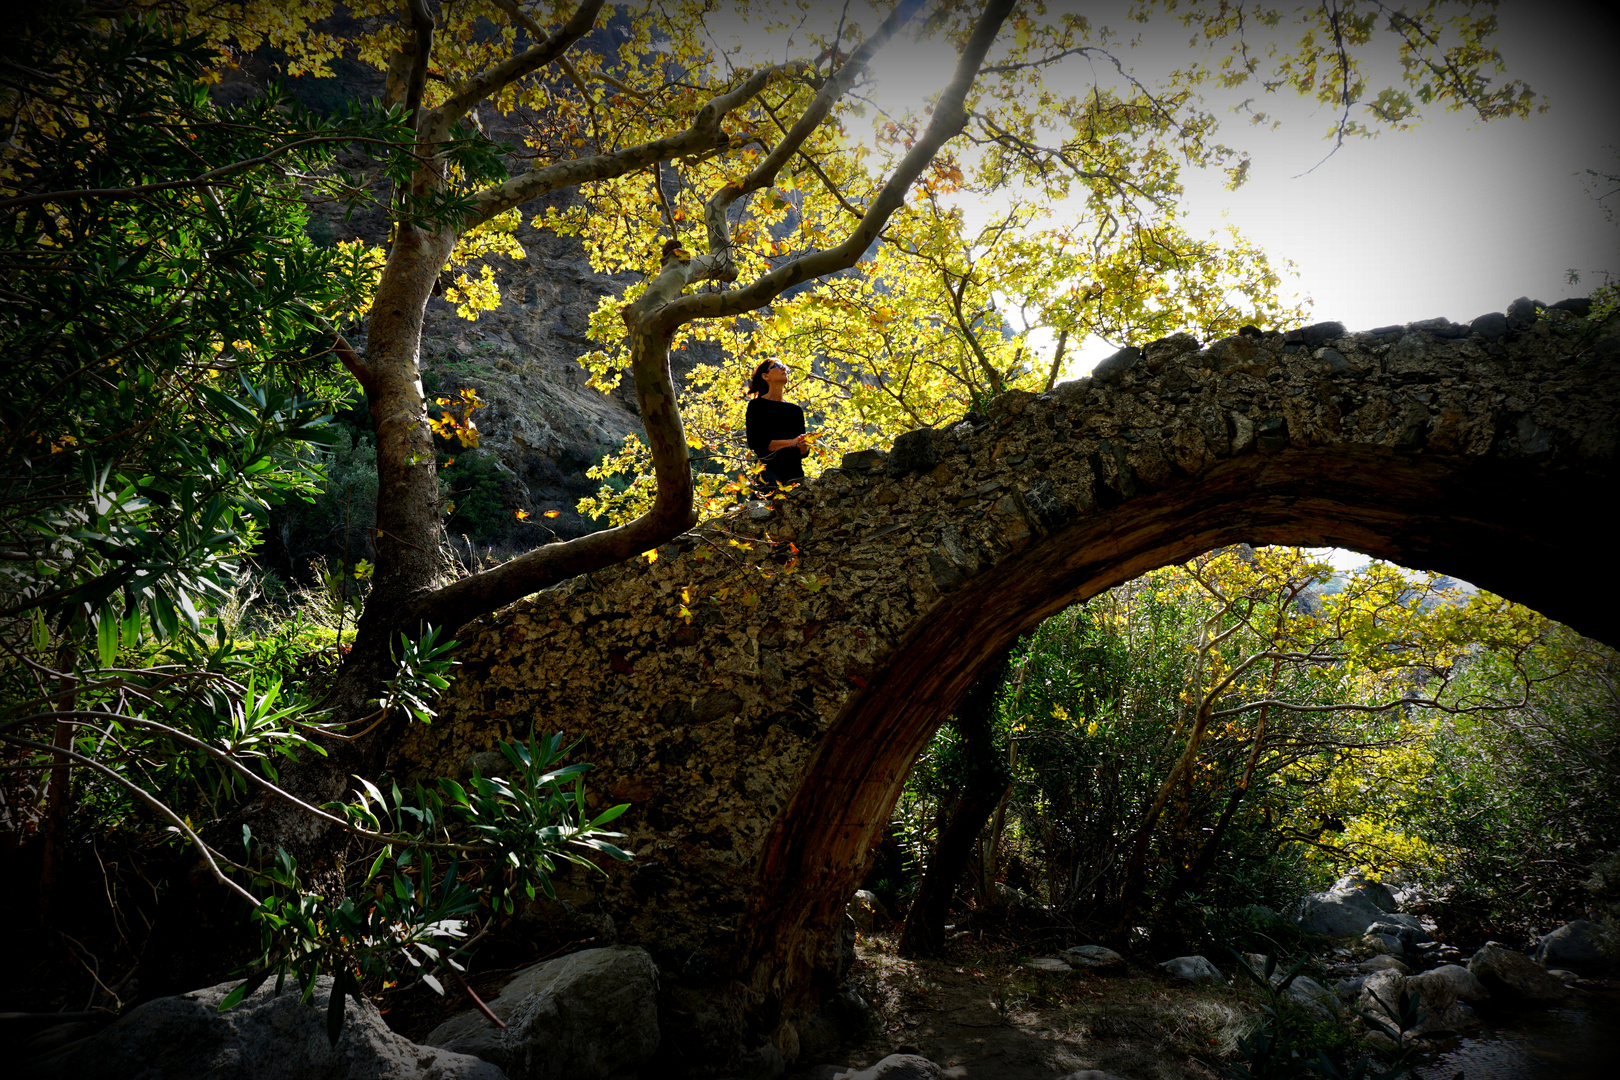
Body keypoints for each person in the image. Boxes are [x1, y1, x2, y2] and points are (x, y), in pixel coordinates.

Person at [744, 359, 811, 489]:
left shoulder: (795, 410)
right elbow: (758, 444)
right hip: (769, 477)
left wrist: (804, 445)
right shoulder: (756, 406)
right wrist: (793, 442)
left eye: (785, 366)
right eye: (778, 366)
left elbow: (803, 452)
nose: (784, 369)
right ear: (765, 376)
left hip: (795, 477)